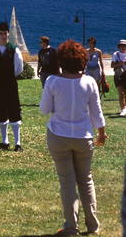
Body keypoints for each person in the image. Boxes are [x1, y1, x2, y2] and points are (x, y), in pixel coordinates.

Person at [39, 40, 107, 236]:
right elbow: (97, 113)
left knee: (67, 181)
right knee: (86, 180)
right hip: (83, 137)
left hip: (58, 136)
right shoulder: (89, 82)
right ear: (82, 62)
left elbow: (44, 110)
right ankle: (93, 225)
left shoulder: (52, 81)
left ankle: (71, 226)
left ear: (61, 61)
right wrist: (101, 133)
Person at [0, 22, 25, 151]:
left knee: (14, 112)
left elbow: (19, 68)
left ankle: (17, 143)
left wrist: (7, 76)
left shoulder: (14, 49)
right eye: (0, 33)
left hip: (10, 85)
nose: (3, 36)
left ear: (8, 34)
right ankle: (5, 141)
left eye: (5, 33)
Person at [112, 39, 126, 117]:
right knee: (121, 93)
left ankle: (125, 108)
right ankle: (123, 109)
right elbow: (112, 65)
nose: (123, 47)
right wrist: (120, 63)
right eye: (121, 46)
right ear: (119, 46)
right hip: (119, 75)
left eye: (124, 45)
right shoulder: (115, 54)